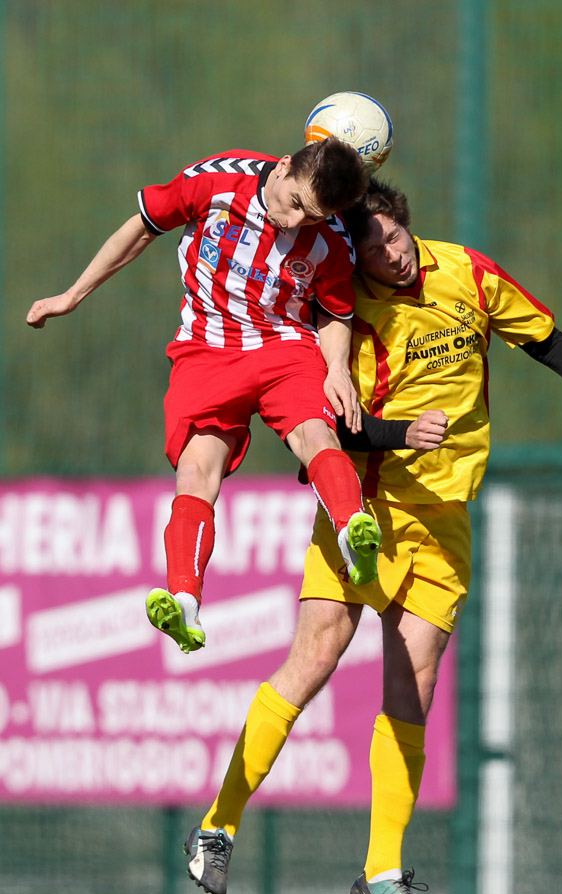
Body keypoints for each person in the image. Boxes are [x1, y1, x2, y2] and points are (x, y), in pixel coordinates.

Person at [182, 177, 562, 894]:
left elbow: (548, 342)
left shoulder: (468, 271)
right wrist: (400, 436)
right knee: (314, 660)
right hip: (366, 509)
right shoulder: (342, 314)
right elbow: (330, 430)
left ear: (405, 226)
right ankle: (219, 825)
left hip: (445, 521)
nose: (385, 254)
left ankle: (382, 871)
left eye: (390, 237)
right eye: (367, 246)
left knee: (413, 686)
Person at [26, 137, 383, 653]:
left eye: (312, 215)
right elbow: (140, 229)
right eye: (295, 203)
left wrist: (336, 369)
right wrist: (71, 295)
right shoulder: (214, 182)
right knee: (196, 471)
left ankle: (355, 532)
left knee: (315, 432)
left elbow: (335, 312)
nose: (295, 221)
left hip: (284, 346)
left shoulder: (330, 238)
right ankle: (186, 605)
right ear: (282, 168)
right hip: (206, 348)